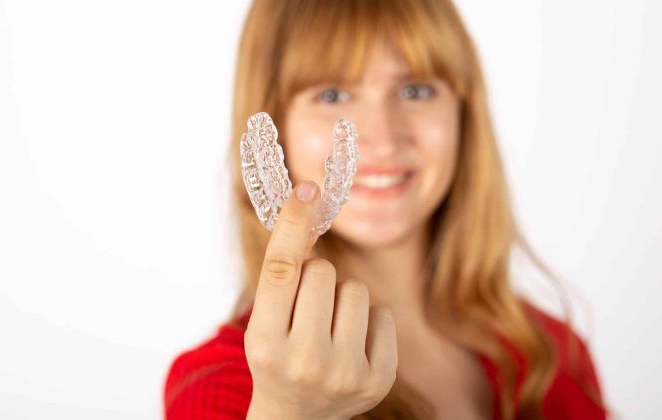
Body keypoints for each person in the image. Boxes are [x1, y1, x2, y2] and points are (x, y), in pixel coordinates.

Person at [164, 0, 608, 418]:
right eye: (333, 95)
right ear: (274, 125)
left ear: (463, 115)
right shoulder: (220, 385)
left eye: (415, 89)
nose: (383, 135)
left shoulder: (553, 354)